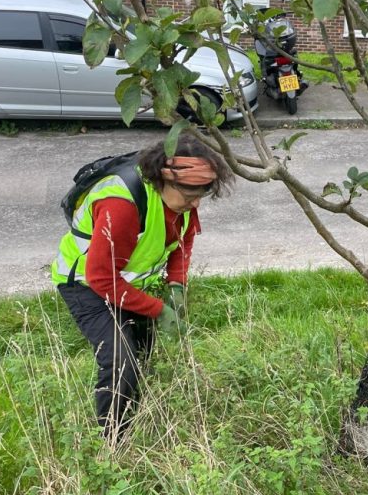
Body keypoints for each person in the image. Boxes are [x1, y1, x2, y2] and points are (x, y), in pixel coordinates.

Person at [51, 133, 232, 439]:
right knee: (121, 361)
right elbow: (102, 277)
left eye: (202, 194)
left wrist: (177, 284)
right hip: (85, 284)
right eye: (190, 196)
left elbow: (182, 239)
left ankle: (137, 412)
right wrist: (159, 309)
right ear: (162, 181)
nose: (196, 202)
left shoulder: (182, 199)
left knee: (142, 352)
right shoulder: (122, 205)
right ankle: (113, 444)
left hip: (128, 284)